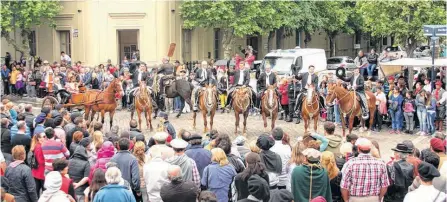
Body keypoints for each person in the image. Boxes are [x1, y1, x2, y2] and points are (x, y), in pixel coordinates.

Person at [69, 138, 92, 202]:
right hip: (81, 190)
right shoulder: (86, 163)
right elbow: (86, 177)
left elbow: (66, 173)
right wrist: (78, 184)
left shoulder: (69, 161)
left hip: (70, 189)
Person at [30, 132, 46, 198]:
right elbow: (41, 161)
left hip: (36, 172)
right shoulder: (40, 147)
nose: (45, 138)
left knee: (37, 191)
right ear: (39, 138)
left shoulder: (37, 146)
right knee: (44, 191)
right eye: (44, 136)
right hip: (41, 172)